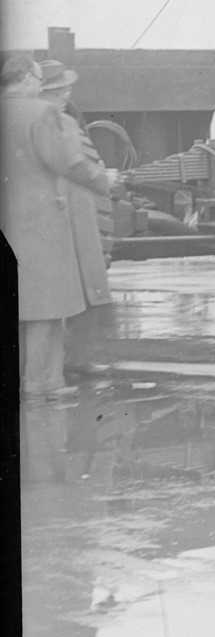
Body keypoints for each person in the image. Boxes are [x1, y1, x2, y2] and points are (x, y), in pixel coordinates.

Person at [2, 54, 121, 400]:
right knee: (46, 307)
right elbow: (68, 162)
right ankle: (44, 384)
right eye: (37, 78)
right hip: (38, 224)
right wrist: (103, 180)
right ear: (25, 78)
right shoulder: (41, 113)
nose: (39, 85)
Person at [38, 60, 116, 376]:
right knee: (78, 290)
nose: (67, 93)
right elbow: (76, 165)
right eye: (62, 88)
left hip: (64, 219)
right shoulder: (61, 125)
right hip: (71, 220)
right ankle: (70, 365)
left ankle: (61, 365)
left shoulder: (44, 122)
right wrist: (104, 180)